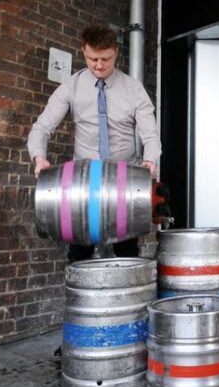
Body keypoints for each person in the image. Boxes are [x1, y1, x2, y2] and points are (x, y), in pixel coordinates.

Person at [27, 23, 161, 261]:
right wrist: (39, 158)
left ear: (116, 52)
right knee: (78, 254)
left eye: (105, 59)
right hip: (84, 183)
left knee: (127, 255)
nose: (99, 65)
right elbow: (42, 127)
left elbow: (150, 135)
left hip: (124, 183)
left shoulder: (133, 89)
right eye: (93, 59)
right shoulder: (71, 86)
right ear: (83, 51)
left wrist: (150, 161)